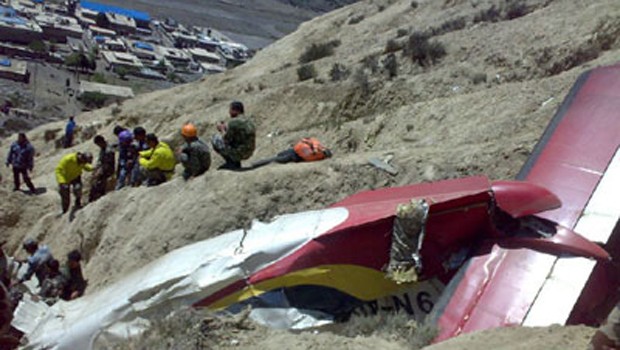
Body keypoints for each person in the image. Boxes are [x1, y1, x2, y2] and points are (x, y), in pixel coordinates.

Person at [211, 101, 256, 170]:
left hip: (240, 153)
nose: (229, 112)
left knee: (215, 139)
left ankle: (232, 162)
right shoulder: (249, 120)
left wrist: (222, 129)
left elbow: (226, 139)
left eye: (230, 110)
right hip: (249, 151)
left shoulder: (234, 122)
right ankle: (235, 161)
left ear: (235, 110)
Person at [89, 135, 115, 202]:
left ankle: (99, 195)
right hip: (103, 167)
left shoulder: (109, 150)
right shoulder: (103, 149)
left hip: (108, 168)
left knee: (99, 180)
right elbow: (100, 160)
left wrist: (100, 170)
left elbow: (109, 162)